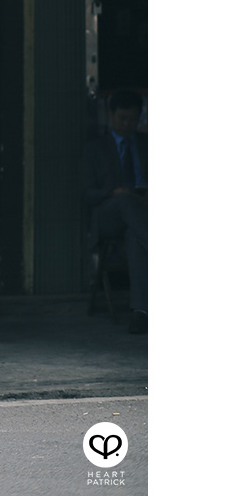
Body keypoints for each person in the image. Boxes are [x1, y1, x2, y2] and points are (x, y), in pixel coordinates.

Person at [81, 88, 148, 334]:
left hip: (141, 215)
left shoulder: (147, 144)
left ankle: (141, 312)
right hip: (108, 214)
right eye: (122, 118)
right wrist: (112, 192)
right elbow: (86, 193)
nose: (128, 124)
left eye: (133, 119)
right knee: (126, 201)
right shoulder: (95, 148)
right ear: (111, 115)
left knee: (134, 236)